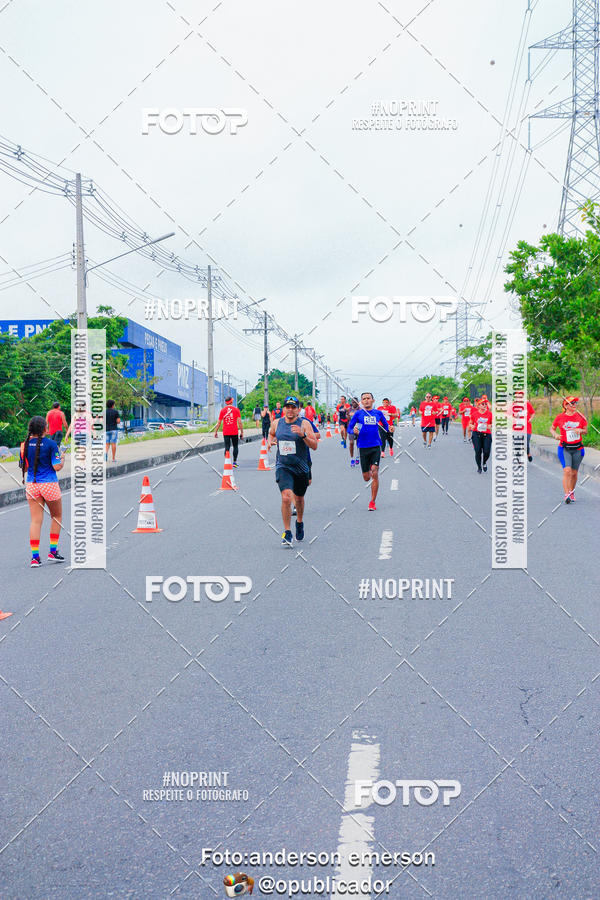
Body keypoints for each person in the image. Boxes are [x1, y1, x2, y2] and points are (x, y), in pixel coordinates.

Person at [268, 395, 318, 546]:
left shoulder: (304, 424)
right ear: (284, 409)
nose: (290, 410)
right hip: (283, 465)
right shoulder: (277, 423)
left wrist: (303, 435)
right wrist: (271, 441)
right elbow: (271, 433)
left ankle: (300, 522)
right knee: (286, 497)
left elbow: (314, 446)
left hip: (301, 468)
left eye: (293, 407)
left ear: (298, 409)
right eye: (287, 407)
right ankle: (287, 531)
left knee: (299, 499)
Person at [19, 415, 66, 566]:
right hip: (49, 484)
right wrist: (63, 457)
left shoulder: (23, 446)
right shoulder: (51, 444)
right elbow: (56, 467)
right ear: (45, 428)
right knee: (56, 516)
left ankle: (35, 557)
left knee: (35, 521)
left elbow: (25, 467)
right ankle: (52, 552)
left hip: (32, 486)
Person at [347, 392, 388, 510]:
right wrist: (353, 431)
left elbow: (385, 426)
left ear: (373, 400)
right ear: (361, 402)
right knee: (366, 477)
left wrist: (389, 428)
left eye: (368, 398)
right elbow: (350, 428)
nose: (366, 400)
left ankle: (372, 502)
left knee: (374, 472)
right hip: (363, 447)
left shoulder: (378, 413)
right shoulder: (358, 414)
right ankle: (368, 471)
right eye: (364, 399)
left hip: (375, 446)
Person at [551, 396, 587, 503]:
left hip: (578, 449)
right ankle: (566, 494)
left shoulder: (580, 416)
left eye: (576, 402)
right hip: (564, 448)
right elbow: (552, 428)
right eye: (572, 403)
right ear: (566, 406)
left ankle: (571, 492)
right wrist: (555, 434)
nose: (575, 404)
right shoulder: (560, 417)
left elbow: (585, 431)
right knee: (567, 471)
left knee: (574, 473)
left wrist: (580, 430)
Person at [214, 396, 243, 467]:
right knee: (235, 446)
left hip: (226, 431)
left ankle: (227, 462)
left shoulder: (222, 410)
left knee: (227, 447)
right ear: (231, 401)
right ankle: (234, 462)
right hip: (234, 431)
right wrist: (242, 432)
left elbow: (219, 423)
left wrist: (215, 432)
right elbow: (239, 422)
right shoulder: (236, 410)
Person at [468, 397, 492, 473]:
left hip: (486, 434)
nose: (484, 405)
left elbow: (493, 423)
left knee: (487, 451)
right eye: (482, 404)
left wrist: (491, 426)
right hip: (476, 434)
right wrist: (472, 426)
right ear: (478, 405)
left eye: (485, 404)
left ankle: (484, 462)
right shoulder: (474, 414)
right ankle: (479, 467)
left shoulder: (489, 414)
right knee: (478, 451)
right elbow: (470, 423)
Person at [347, 397, 360, 467]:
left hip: (359, 427)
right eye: (353, 402)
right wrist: (348, 417)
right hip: (351, 428)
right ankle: (352, 459)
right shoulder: (349, 409)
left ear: (358, 402)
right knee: (351, 443)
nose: (354, 403)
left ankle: (358, 456)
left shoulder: (360, 409)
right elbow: (347, 417)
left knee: (358, 443)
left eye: (355, 402)